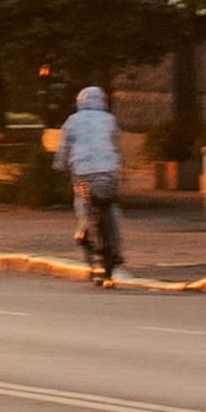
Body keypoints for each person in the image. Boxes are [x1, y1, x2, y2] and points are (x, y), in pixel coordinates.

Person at [58, 78, 129, 282]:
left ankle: (84, 229)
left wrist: (61, 165)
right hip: (109, 174)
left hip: (84, 176)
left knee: (84, 200)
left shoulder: (72, 121)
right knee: (111, 204)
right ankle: (116, 245)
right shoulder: (109, 120)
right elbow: (116, 145)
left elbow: (63, 151)